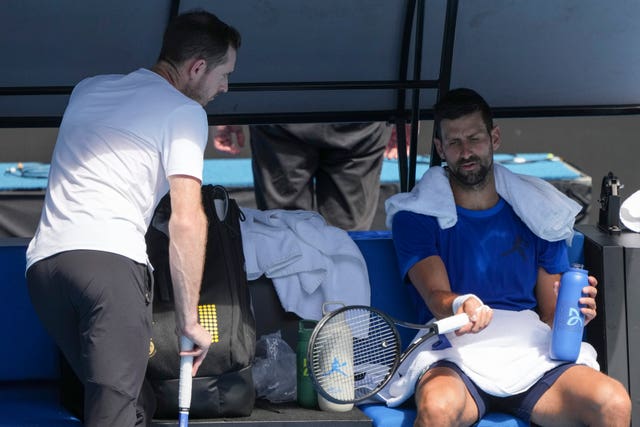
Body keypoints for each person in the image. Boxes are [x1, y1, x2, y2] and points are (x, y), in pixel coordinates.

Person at [25, 11, 240, 426]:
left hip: (45, 269)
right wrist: (189, 320)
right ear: (196, 68)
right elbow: (186, 219)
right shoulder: (184, 113)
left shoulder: (87, 90)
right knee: (116, 412)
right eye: (223, 74)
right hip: (108, 265)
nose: (225, 87)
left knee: (135, 403)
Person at [389, 88, 631, 426]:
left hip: (530, 352)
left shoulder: (539, 213)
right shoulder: (413, 217)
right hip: (452, 354)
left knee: (614, 403)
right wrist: (462, 305)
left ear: (494, 138)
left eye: (474, 138)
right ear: (441, 149)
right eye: (454, 143)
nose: (466, 151)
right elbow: (435, 295)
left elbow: (551, 315)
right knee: (437, 409)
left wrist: (575, 314)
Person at [214, 122, 410, 230]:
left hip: (279, 107)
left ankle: (289, 304)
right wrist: (407, 114)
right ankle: (346, 303)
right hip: (361, 117)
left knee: (284, 231)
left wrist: (230, 109)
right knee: (347, 238)